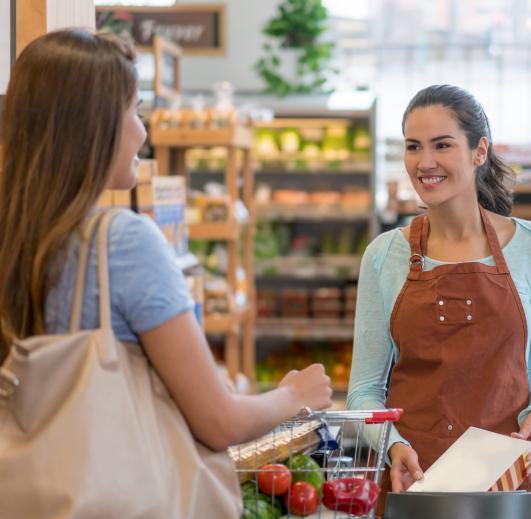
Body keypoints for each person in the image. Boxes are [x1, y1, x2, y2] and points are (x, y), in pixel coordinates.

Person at [0, 30, 332, 487]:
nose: (144, 130)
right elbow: (220, 423)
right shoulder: (121, 242)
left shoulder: (14, 234)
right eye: (135, 110)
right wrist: (293, 395)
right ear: (96, 126)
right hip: (107, 506)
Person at [347, 84, 531, 516]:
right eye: (414, 147)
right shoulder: (384, 256)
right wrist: (393, 447)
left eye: (442, 145)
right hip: (417, 481)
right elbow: (364, 392)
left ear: (478, 151)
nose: (425, 162)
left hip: (511, 483)